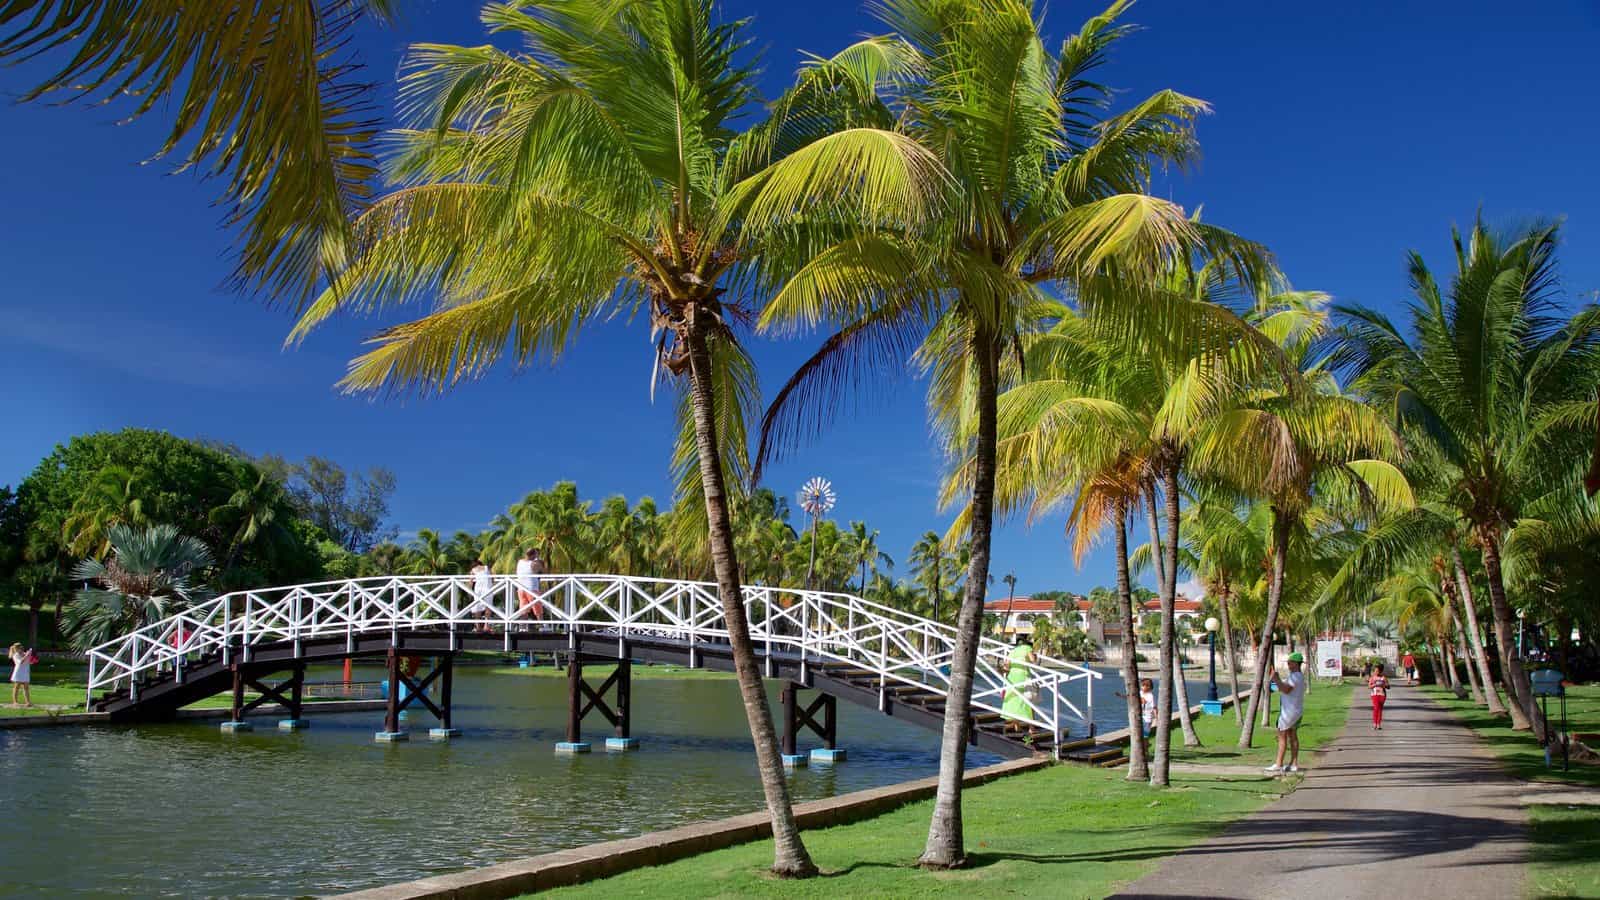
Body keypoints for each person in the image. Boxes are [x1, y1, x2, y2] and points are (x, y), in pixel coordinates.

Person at [1265, 651, 1307, 774]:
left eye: (1290, 662)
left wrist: (1276, 679)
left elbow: (1286, 689)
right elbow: (1285, 687)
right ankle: (1294, 764)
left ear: (1296, 663)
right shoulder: (1297, 676)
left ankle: (1278, 764)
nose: (1288, 664)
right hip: (1295, 710)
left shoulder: (1295, 677)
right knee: (1292, 736)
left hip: (1288, 712)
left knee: (1282, 737)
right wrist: (1277, 680)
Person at [1000, 635, 1037, 727]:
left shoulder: (1012, 651)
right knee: (1029, 701)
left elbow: (1006, 667)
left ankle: (1016, 726)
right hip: (1023, 677)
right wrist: (1035, 656)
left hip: (1012, 678)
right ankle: (1031, 728)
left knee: (1014, 701)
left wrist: (1000, 669)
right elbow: (1033, 660)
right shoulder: (1027, 648)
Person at [516, 548, 546, 625]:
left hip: (521, 589)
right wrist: (539, 560)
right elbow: (544, 571)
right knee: (538, 609)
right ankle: (542, 625)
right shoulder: (534, 564)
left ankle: (522, 627)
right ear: (533, 555)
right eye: (536, 554)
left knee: (524, 609)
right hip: (532, 590)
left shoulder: (520, 562)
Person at [469, 559, 494, 632]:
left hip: (478, 590)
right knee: (488, 607)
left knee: (477, 607)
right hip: (487, 588)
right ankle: (486, 626)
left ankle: (478, 626)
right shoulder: (486, 567)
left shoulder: (473, 570)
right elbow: (492, 578)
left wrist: (469, 591)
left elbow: (470, 582)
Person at [9, 643, 35, 708]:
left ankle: (28, 702)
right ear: (17, 649)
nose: (22, 648)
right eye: (20, 648)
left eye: (22, 647)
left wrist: (32, 659)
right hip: (19, 672)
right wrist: (27, 655)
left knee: (26, 688)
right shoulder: (15, 655)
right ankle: (15, 702)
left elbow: (29, 661)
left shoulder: (24, 653)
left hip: (25, 672)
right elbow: (21, 662)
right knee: (17, 687)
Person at [1368, 661, 1391, 730]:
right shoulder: (1372, 678)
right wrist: (1374, 685)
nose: (1375, 672)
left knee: (1380, 709)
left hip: (1382, 695)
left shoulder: (1384, 678)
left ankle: (1378, 724)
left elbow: (1388, 687)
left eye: (1377, 671)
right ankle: (1374, 723)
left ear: (1380, 671)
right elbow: (1369, 686)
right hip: (1374, 695)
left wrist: (1383, 685)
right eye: (1375, 671)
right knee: (1376, 708)